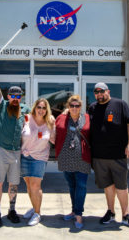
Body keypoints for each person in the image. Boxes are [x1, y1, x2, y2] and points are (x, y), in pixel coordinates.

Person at [88, 82, 129, 230]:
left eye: (101, 91)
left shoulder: (120, 104)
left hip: (118, 155)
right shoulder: (92, 108)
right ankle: (110, 212)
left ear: (108, 91)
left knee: (121, 186)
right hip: (99, 156)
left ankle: (126, 215)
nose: (99, 94)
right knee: (107, 186)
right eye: (96, 92)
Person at [0, 60, 30, 227]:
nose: (16, 99)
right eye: (13, 96)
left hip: (16, 152)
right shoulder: (2, 106)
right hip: (1, 151)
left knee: (13, 183)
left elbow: (38, 119)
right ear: (8, 96)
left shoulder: (24, 109)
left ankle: (12, 210)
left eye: (19, 96)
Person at [55, 95, 91, 229]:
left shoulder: (87, 118)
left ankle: (79, 214)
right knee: (72, 186)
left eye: (77, 106)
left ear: (81, 107)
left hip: (83, 158)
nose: (74, 108)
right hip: (66, 158)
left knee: (81, 186)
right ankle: (74, 210)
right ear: (68, 107)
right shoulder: (62, 118)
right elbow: (53, 131)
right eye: (72, 106)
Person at [21, 98, 55, 226]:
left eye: (44, 108)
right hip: (25, 156)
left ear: (47, 110)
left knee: (36, 186)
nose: (41, 110)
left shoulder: (50, 121)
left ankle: (37, 213)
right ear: (34, 107)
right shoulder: (26, 119)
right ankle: (34, 207)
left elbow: (55, 139)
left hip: (40, 157)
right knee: (29, 185)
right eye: (39, 107)